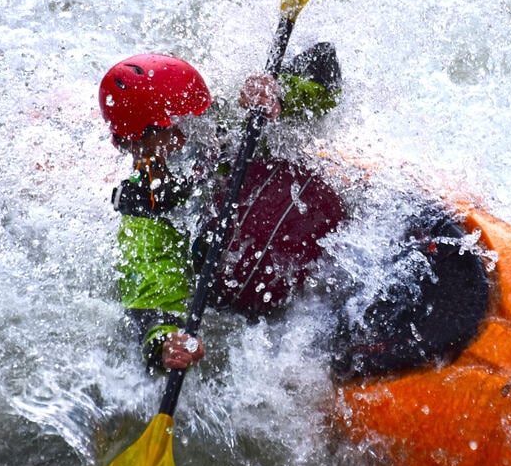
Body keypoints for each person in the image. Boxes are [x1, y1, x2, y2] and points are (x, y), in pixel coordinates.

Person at [99, 45, 488, 378]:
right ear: (135, 144)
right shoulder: (148, 212)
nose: (193, 133)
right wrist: (164, 341)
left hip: (338, 238)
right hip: (276, 307)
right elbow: (149, 295)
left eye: (196, 117)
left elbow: (324, 66)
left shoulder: (238, 119)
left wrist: (280, 91)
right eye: (174, 129)